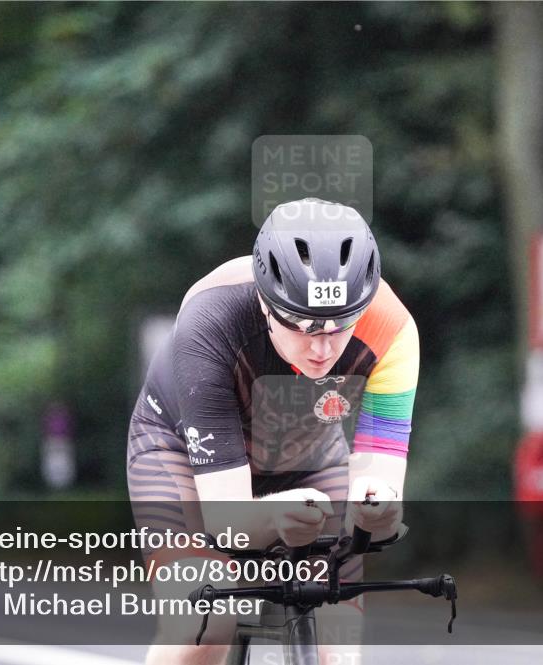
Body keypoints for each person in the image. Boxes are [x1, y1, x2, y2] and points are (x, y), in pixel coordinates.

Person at [127, 198, 420, 665]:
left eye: (341, 325)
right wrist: (268, 517)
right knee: (206, 622)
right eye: (302, 325)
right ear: (266, 303)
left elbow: (381, 486)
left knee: (337, 648)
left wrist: (376, 508)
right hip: (177, 449)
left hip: (307, 451)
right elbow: (225, 519)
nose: (322, 348)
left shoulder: (394, 331)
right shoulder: (209, 321)